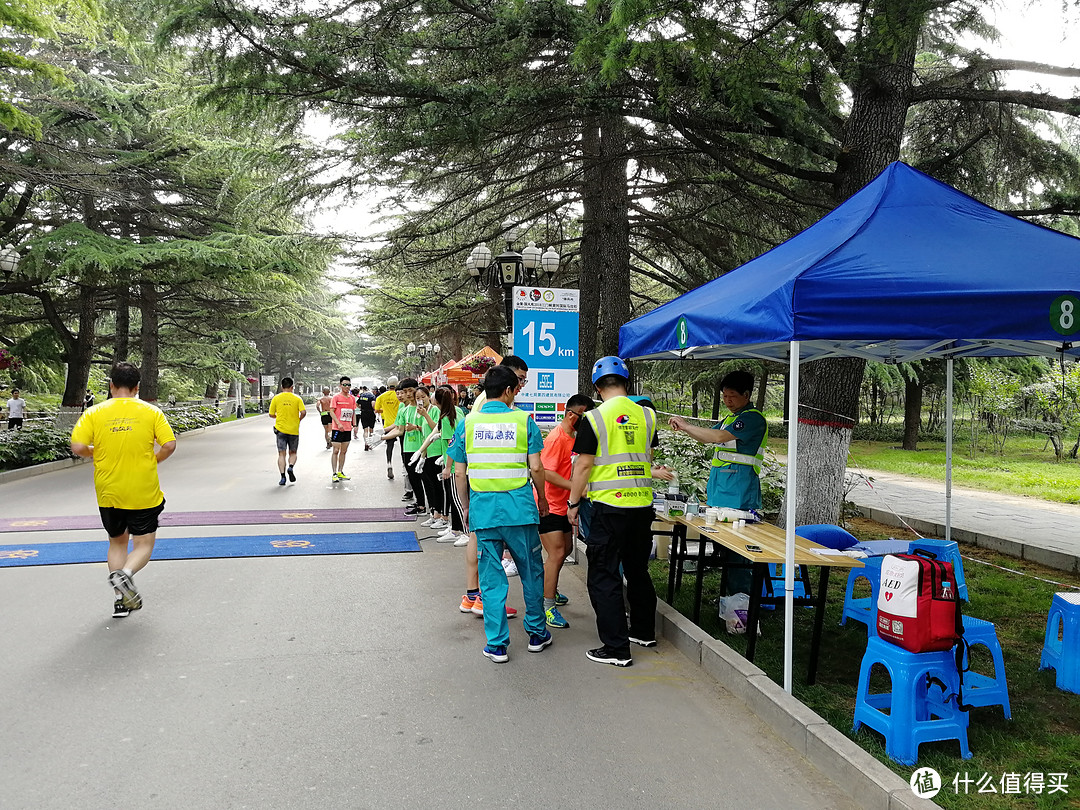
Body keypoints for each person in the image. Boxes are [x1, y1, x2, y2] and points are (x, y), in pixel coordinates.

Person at [567, 356, 673, 667]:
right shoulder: (647, 416)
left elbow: (584, 465)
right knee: (637, 569)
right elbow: (645, 456)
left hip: (609, 507)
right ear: (626, 383)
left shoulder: (594, 419)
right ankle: (642, 630)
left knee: (604, 574)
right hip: (642, 506)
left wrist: (573, 504)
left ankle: (616, 648)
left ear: (597, 388)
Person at [449, 364, 551, 663]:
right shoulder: (524, 420)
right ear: (508, 391)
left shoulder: (467, 423)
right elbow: (536, 467)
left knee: (491, 578)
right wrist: (542, 499)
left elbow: (458, 471)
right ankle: (536, 633)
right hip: (520, 509)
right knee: (531, 571)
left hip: (484, 511)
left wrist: (466, 508)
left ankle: (496, 644)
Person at [69, 362, 176, 618]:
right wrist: (154, 459)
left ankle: (120, 600)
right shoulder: (151, 412)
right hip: (143, 489)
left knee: (117, 542)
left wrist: (95, 452)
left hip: (108, 491)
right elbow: (169, 445)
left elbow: (77, 447)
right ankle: (126, 575)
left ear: (111, 385)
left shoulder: (94, 413)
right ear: (137, 387)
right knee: (143, 543)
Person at [668, 370, 767, 595]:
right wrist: (686, 428)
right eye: (724, 396)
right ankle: (730, 597)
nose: (727, 401)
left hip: (739, 492)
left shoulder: (752, 418)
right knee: (726, 550)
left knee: (739, 553)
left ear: (747, 394)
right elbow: (706, 437)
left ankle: (741, 601)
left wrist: (685, 425)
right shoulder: (729, 419)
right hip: (721, 492)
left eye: (732, 396)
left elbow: (718, 438)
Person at [537, 393, 595, 629]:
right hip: (549, 505)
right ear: (572, 415)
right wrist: (576, 488)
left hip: (565, 505)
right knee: (557, 553)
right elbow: (545, 472)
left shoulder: (575, 438)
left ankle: (551, 588)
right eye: (585, 416)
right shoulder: (556, 438)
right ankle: (546, 606)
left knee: (567, 548)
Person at [380, 379, 427, 515]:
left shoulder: (423, 408)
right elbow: (399, 430)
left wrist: (416, 427)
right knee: (413, 477)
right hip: (407, 447)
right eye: (404, 391)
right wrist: (382, 437)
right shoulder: (404, 410)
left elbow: (430, 427)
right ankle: (420, 504)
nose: (406, 394)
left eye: (409, 391)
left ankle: (431, 508)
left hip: (422, 448)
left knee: (425, 479)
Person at [269, 376, 306, 486]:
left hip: (280, 429)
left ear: (281, 387)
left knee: (281, 454)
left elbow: (271, 414)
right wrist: (298, 420)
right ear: (292, 387)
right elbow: (303, 412)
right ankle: (290, 467)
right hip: (293, 430)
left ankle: (283, 477)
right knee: (293, 452)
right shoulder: (297, 398)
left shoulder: (276, 398)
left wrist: (278, 416)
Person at [374, 377, 402, 481]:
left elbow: (377, 410)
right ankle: (405, 466)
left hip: (388, 425)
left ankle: (389, 464)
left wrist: (385, 410)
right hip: (400, 424)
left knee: (389, 446)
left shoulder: (381, 397)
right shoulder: (400, 396)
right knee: (404, 447)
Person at [329, 376, 355, 481]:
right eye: (344, 384)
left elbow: (354, 412)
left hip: (348, 428)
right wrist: (338, 423)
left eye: (348, 385)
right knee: (336, 450)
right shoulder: (336, 397)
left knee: (344, 451)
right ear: (340, 386)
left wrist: (355, 424)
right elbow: (331, 411)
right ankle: (334, 473)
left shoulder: (352, 398)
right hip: (337, 428)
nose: (347, 387)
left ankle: (340, 471)